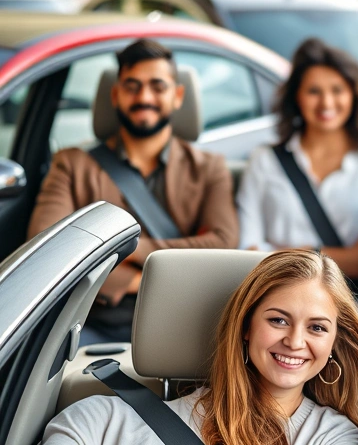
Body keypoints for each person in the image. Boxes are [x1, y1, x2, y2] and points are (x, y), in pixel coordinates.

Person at [0, 250, 358, 445]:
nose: (295, 342)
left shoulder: (338, 440)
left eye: (316, 327)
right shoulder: (100, 418)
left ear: (334, 343)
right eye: (278, 320)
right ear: (246, 327)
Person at [27, 39, 238, 346]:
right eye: (132, 86)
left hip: (186, 324)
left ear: (178, 96)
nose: (145, 97)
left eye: (157, 86)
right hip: (88, 324)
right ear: (115, 95)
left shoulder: (209, 168)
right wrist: (134, 280)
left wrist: (129, 250)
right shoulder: (72, 164)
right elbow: (48, 249)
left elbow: (222, 244)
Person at [236, 38, 358, 342]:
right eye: (314, 91)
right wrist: (346, 255)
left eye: (337, 90)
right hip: (276, 302)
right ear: (296, 97)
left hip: (351, 304)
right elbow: (248, 252)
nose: (326, 103)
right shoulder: (265, 161)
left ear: (353, 95)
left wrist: (283, 252)